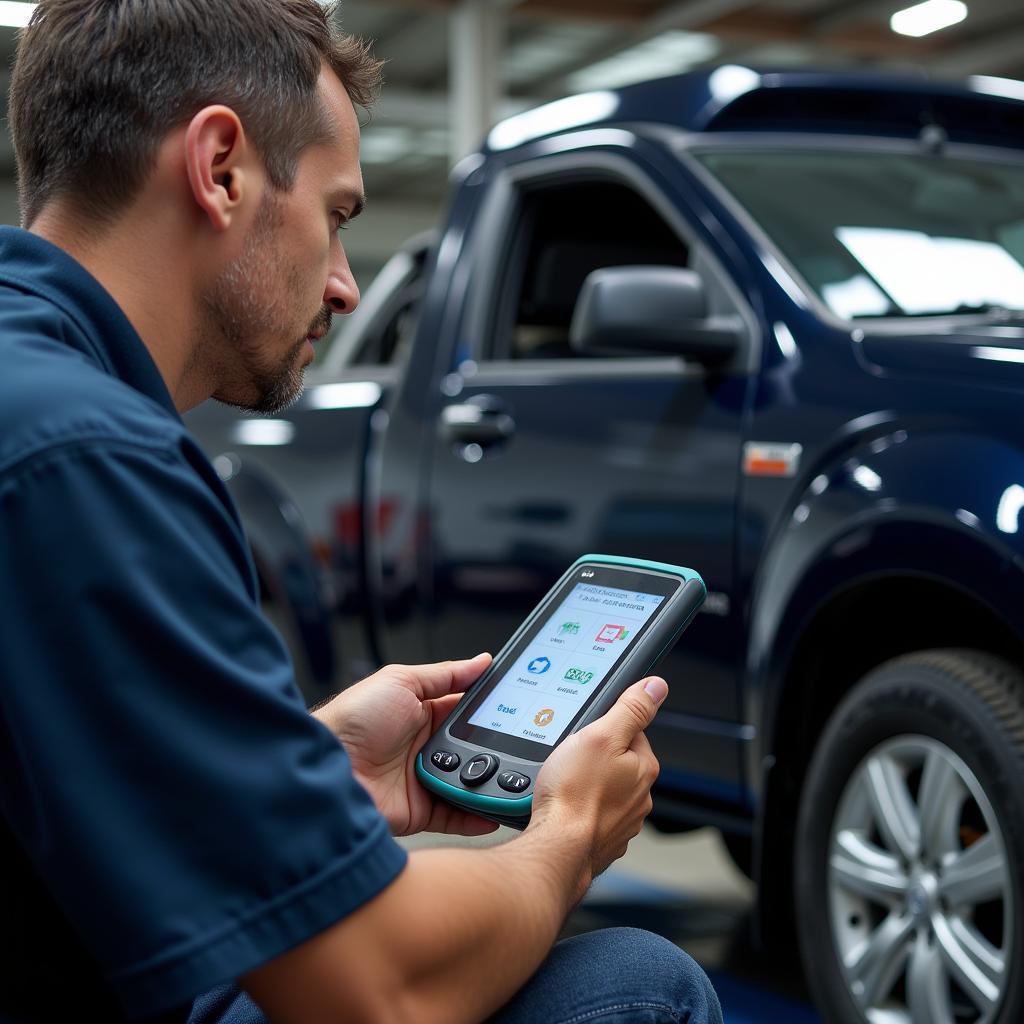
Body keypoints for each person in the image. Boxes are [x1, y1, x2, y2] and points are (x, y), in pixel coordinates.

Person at [0, 2, 724, 1023]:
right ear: (218, 169)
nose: (345, 286)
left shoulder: (31, 386)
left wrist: (308, 768)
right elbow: (376, 993)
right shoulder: (87, 458)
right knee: (641, 984)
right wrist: (566, 832)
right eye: (337, 216)